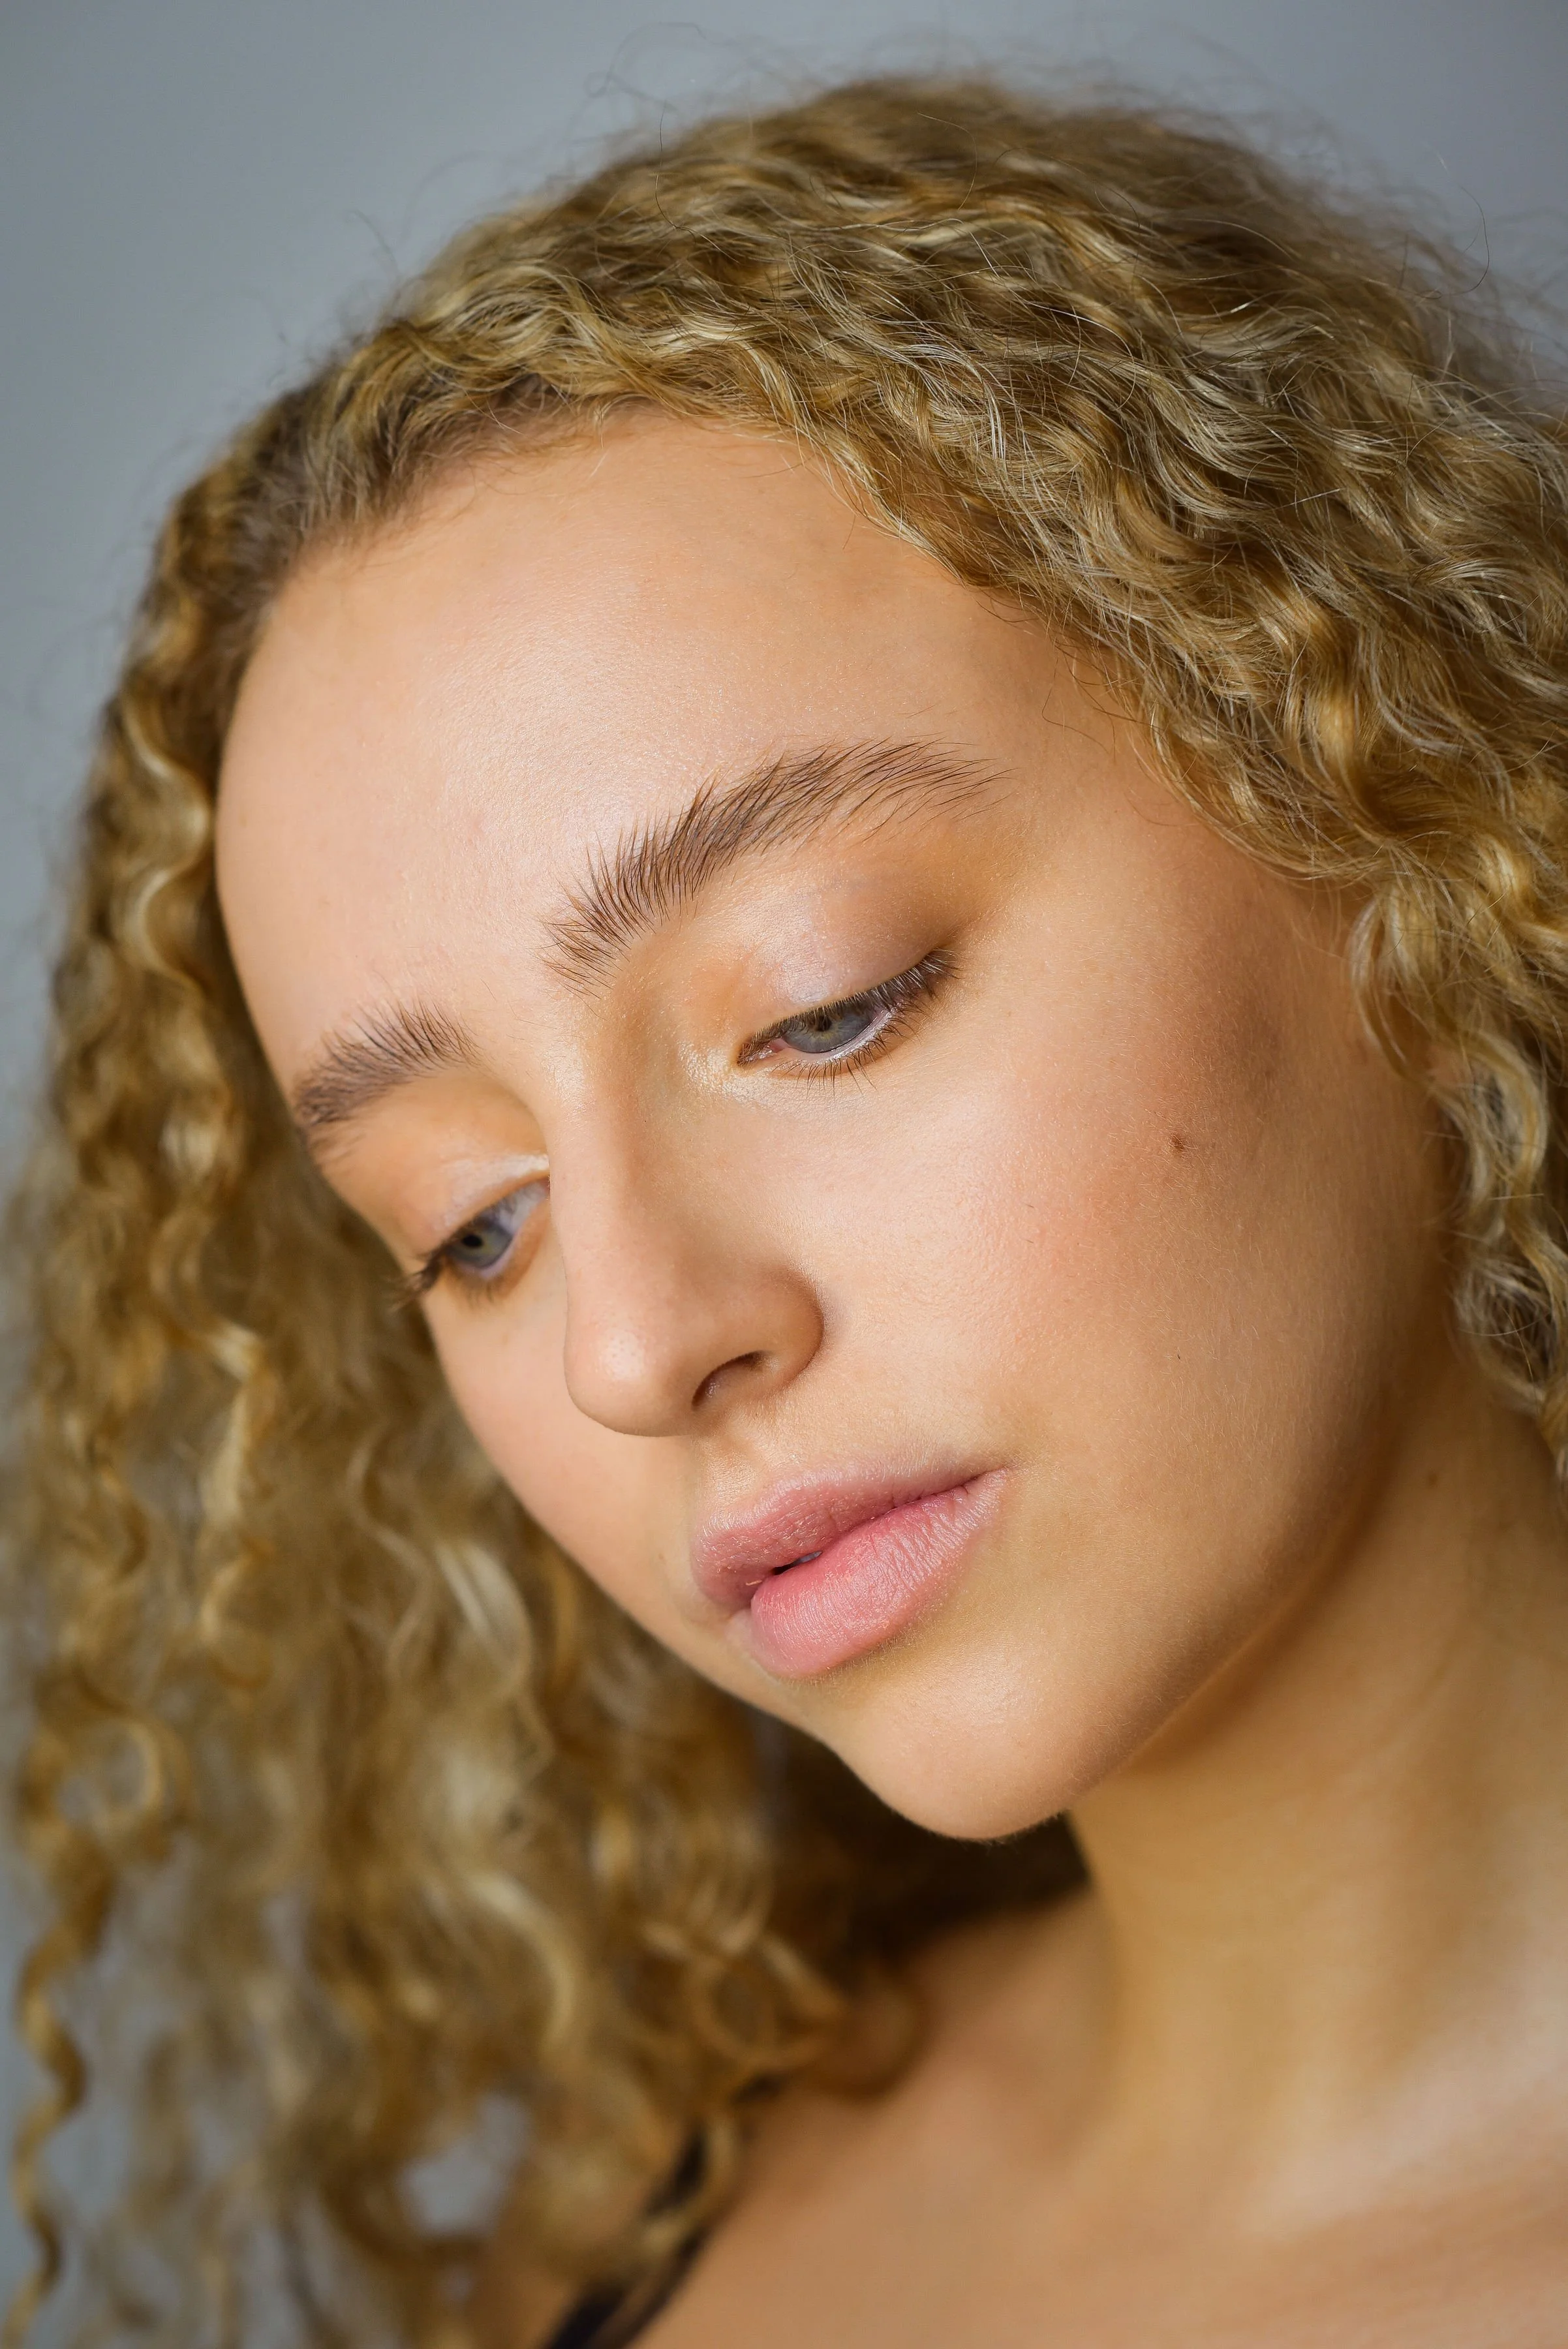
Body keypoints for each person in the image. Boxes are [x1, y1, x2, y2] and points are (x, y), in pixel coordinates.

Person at [8, 70, 1568, 2349]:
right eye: (470, 1223)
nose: (636, 1350)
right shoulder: (637, 2231)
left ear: (1403, 823)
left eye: (830, 1005)